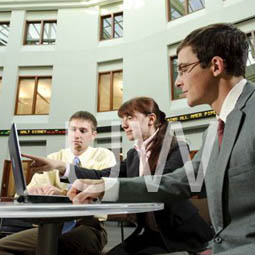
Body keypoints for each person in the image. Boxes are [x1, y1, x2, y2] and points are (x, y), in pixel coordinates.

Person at [67, 23, 255, 254]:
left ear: (215, 65)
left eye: (184, 69)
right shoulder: (212, 132)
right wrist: (104, 186)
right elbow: (175, 182)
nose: (177, 81)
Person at [22, 97, 214, 255]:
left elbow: (159, 185)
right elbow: (102, 175)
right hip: (150, 234)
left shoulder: (176, 147)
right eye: (123, 120)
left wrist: (106, 187)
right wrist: (60, 166)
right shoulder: (132, 155)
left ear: (151, 118)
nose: (124, 125)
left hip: (182, 236)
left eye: (129, 117)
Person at [0, 111, 116, 255]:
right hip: (52, 225)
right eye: (73, 129)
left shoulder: (104, 156)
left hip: (88, 225)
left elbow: (100, 193)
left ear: (93, 135)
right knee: (3, 246)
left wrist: (60, 193)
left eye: (83, 130)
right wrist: (34, 194)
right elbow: (24, 193)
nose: (76, 135)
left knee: (57, 246)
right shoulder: (54, 157)